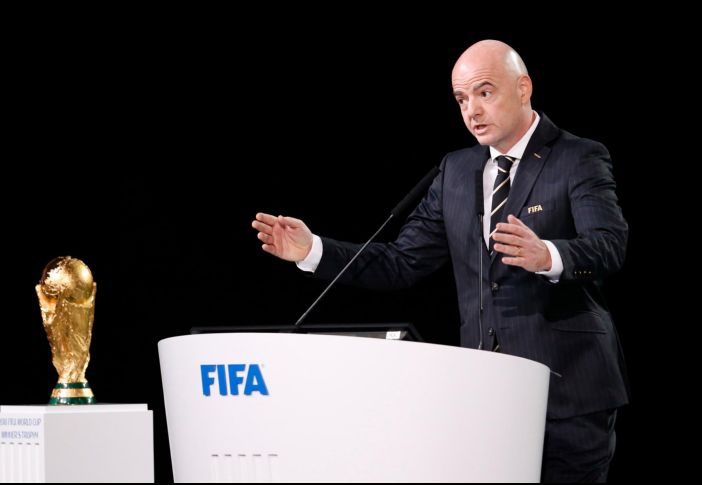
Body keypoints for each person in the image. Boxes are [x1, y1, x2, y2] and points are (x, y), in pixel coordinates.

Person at [251, 39, 628, 482]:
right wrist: (313, 249)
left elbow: (608, 245)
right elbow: (402, 261)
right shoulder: (457, 170)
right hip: (486, 397)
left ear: (523, 87)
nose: (472, 110)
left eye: (484, 92)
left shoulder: (577, 156)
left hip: (569, 391)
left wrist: (548, 254)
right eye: (462, 99)